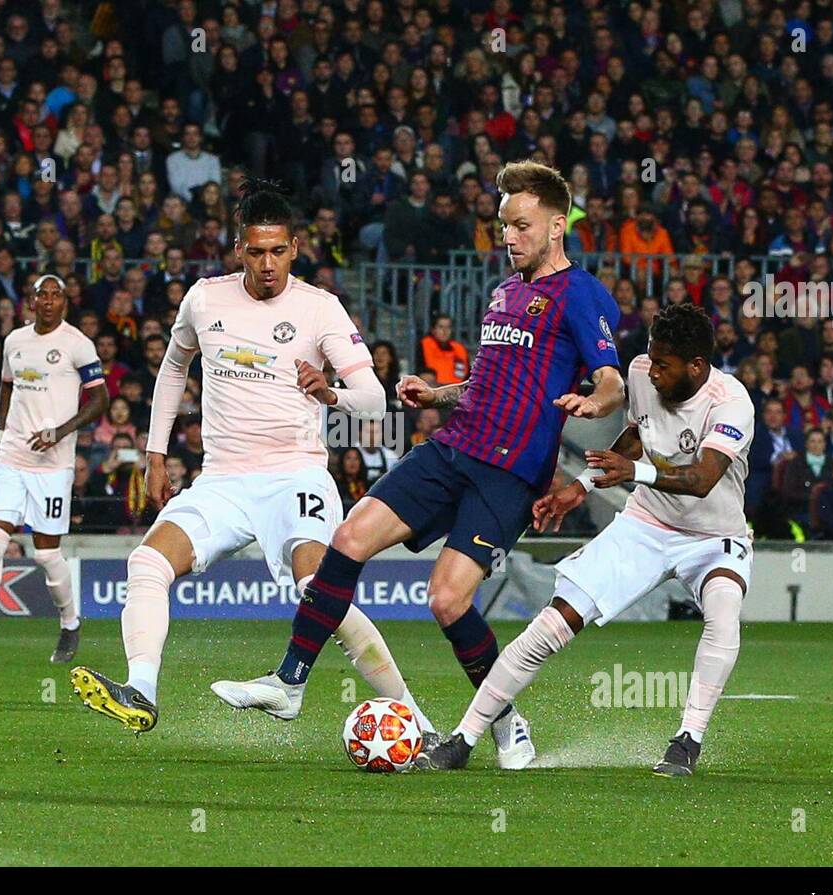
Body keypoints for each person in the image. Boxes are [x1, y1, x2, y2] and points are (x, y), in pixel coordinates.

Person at [215, 162, 626, 770]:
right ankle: (289, 681)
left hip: (509, 472)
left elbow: (612, 380)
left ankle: (507, 722)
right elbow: (489, 383)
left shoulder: (584, 294)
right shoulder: (504, 293)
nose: (507, 237)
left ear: (557, 225)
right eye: (502, 226)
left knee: (447, 601)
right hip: (453, 445)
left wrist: (596, 400)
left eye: (520, 226)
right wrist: (437, 394)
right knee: (350, 536)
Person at [68, 179, 437, 738]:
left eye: (279, 251)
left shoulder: (321, 309)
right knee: (146, 565)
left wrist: (329, 391)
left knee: (318, 594)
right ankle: (141, 689)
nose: (268, 264)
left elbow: (374, 400)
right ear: (238, 248)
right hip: (222, 478)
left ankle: (417, 718)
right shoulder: (204, 298)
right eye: (257, 251)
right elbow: (173, 369)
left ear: (296, 247)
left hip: (296, 474)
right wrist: (156, 452)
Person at [416, 303, 752, 776]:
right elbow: (638, 434)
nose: (651, 371)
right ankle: (464, 737)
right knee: (553, 622)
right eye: (651, 359)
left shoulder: (730, 401)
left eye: (664, 364)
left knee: (723, 607)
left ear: (696, 366)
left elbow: (701, 478)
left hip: (713, 536)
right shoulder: (639, 372)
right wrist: (581, 486)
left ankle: (688, 739)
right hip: (646, 524)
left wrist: (631, 472)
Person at [0, 274, 109, 665]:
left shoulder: (77, 344)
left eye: (57, 296)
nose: (50, 301)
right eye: (43, 295)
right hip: (13, 457)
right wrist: (1, 430)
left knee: (46, 555)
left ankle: (70, 623)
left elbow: (101, 398)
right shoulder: (14, 341)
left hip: (52, 465)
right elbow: (5, 385)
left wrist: (61, 431)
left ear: (65, 303)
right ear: (31, 302)